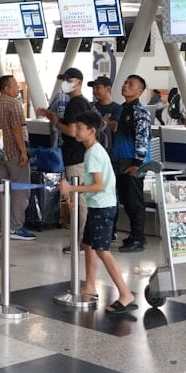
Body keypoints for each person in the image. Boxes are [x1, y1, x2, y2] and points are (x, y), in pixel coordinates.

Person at [58, 111, 136, 314]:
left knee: (102, 250)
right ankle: (90, 286)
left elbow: (99, 186)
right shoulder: (93, 150)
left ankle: (125, 293)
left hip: (102, 206)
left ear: (92, 131)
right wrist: (73, 194)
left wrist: (71, 188)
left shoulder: (93, 153)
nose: (76, 131)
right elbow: (92, 182)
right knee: (89, 245)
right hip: (99, 205)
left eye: (80, 128)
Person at [36, 67, 92, 240]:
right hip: (81, 156)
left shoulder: (75, 104)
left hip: (75, 157)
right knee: (80, 198)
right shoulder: (83, 102)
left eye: (69, 80)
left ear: (79, 83)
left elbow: (72, 131)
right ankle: (83, 239)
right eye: (64, 80)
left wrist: (55, 122)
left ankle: (80, 240)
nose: (65, 83)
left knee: (78, 199)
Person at [0, 74, 34, 242]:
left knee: (2, 190)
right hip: (15, 153)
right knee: (20, 189)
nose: (18, 88)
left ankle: (3, 225)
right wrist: (23, 152)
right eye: (15, 85)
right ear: (6, 88)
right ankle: (15, 226)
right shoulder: (14, 104)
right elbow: (17, 129)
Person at [109, 74, 151, 253]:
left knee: (134, 202)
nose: (125, 86)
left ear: (139, 91)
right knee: (126, 200)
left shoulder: (140, 112)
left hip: (133, 163)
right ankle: (135, 235)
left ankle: (138, 239)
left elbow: (143, 138)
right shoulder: (123, 110)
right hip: (120, 160)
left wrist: (138, 163)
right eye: (125, 83)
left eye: (131, 84)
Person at [88, 76, 120, 150]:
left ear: (108, 89)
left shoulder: (118, 108)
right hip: (91, 148)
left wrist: (94, 121)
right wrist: (105, 121)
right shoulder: (89, 106)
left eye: (98, 87)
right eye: (93, 88)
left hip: (108, 149)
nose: (94, 91)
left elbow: (113, 127)